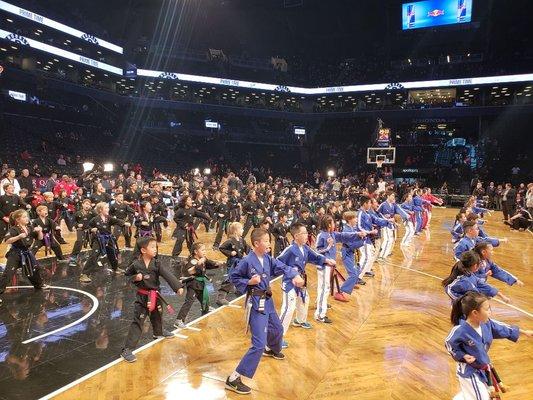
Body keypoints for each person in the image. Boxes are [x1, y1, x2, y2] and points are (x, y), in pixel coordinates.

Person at [225, 228, 304, 395]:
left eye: (269, 240)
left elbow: (283, 266)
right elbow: (234, 277)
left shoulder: (268, 259)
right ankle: (234, 378)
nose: (270, 243)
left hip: (267, 302)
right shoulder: (247, 261)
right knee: (258, 344)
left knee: (277, 329)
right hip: (255, 304)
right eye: (267, 241)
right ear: (256, 244)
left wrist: (294, 275)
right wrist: (249, 281)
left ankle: (272, 349)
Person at [445, 291, 533, 400]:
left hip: (483, 368)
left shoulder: (487, 324)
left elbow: (504, 328)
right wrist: (462, 356)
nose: (490, 312)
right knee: (482, 397)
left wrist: (524, 332)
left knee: (477, 395)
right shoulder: (459, 331)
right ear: (475, 313)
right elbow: (449, 345)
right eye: (487, 309)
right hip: (469, 371)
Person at [120, 237, 184, 362]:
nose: (155, 249)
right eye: (152, 247)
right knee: (138, 321)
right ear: (143, 250)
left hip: (156, 295)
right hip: (142, 297)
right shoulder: (135, 265)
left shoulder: (157, 263)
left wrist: (177, 287)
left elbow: (168, 275)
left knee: (157, 315)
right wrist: (135, 278)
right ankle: (127, 349)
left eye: (156, 247)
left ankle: (158, 332)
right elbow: (126, 275)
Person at [277, 223, 335, 343]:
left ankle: (299, 320)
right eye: (304, 233)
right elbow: (277, 263)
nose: (307, 235)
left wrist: (326, 260)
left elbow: (315, 256)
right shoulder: (290, 250)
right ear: (296, 236)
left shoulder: (305, 248)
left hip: (301, 281)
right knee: (288, 308)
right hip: (290, 282)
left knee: (304, 300)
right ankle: (277, 338)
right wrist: (291, 272)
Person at [0, 210, 45, 304]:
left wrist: (40, 231)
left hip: (27, 253)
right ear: (18, 219)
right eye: (24, 217)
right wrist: (18, 237)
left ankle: (39, 285)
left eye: (27, 216)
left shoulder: (30, 227)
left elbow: (40, 238)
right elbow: (7, 241)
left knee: (34, 269)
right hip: (15, 254)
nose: (27, 218)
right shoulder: (14, 229)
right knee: (8, 274)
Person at [79, 202, 130, 283]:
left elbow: (117, 221)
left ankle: (115, 268)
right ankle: (84, 274)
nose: (108, 209)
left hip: (108, 239)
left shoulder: (108, 218)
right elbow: (88, 226)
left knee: (112, 254)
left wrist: (124, 223)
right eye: (106, 208)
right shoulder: (94, 219)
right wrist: (92, 229)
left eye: (108, 208)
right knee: (94, 256)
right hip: (99, 239)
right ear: (100, 210)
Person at [174, 242, 223, 328]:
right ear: (196, 252)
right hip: (193, 284)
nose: (204, 252)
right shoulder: (193, 261)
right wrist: (198, 264)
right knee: (189, 302)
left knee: (204, 296)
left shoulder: (203, 259)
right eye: (202, 250)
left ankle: (206, 308)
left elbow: (209, 264)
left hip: (200, 283)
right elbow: (190, 271)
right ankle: (179, 320)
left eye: (205, 250)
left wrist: (217, 264)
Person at [442, 251, 510, 303]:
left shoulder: (470, 274)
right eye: (479, 263)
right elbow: (448, 289)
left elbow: (483, 285)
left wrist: (502, 296)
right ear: (475, 265)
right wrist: (460, 301)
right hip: (462, 309)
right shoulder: (464, 281)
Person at [216, 222, 250, 306]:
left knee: (241, 276)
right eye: (241, 229)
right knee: (230, 278)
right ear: (235, 231)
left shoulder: (242, 240)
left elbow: (248, 249)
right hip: (232, 263)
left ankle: (239, 290)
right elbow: (221, 248)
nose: (243, 230)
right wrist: (230, 253)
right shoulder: (230, 241)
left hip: (240, 262)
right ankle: (220, 297)